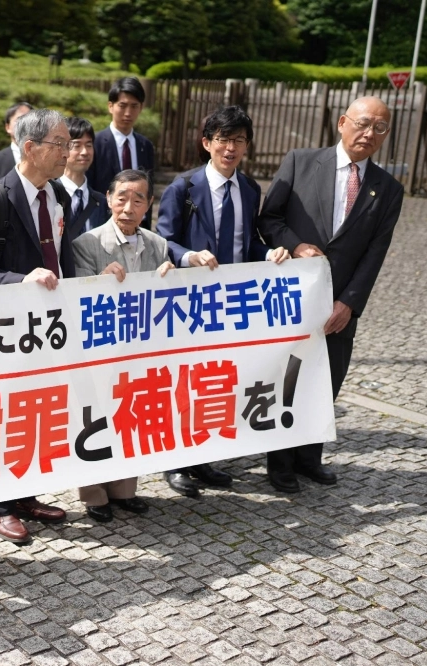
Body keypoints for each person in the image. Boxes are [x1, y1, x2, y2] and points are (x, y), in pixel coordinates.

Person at [256, 96, 404, 493]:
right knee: (287, 377)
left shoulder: (387, 189)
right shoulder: (301, 162)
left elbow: (376, 252)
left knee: (327, 381)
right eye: (363, 123)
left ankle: (309, 458)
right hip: (292, 297)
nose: (369, 133)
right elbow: (268, 219)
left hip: (340, 304)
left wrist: (350, 303)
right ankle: (280, 462)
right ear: (342, 122)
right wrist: (298, 244)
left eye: (380, 128)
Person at [156, 105, 291, 498]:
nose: (230, 148)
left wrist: (268, 254)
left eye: (239, 140)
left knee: (216, 380)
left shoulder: (249, 189)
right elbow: (163, 241)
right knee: (184, 381)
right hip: (188, 302)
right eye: (223, 140)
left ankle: (203, 457)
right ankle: (175, 462)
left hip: (231, 305)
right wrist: (188, 256)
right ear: (207, 143)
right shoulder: (183, 188)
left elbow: (246, 243)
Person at [0, 108, 73, 543]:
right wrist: (20, 280)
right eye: (61, 145)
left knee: (38, 410)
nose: (69, 153)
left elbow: (63, 258)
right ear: (30, 148)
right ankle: (1, 504)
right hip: (6, 331)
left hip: (48, 328)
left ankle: (27, 494)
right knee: (4, 414)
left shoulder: (58, 198)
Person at [72, 169, 175, 521]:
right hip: (100, 352)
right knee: (96, 418)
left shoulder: (158, 244)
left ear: (148, 205)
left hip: (140, 349)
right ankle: (93, 492)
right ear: (109, 199)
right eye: (122, 198)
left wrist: (170, 278)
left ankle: (123, 489)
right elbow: (75, 298)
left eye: (138, 199)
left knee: (133, 414)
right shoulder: (87, 243)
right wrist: (96, 282)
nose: (129, 207)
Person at [89, 77, 155, 228]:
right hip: (103, 225)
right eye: (122, 105)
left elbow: (148, 190)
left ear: (141, 108)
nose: (128, 113)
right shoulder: (95, 143)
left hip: (138, 227)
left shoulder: (145, 146)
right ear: (110, 106)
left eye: (134, 106)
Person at [59, 116, 107, 240]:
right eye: (77, 145)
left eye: (89, 145)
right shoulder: (47, 195)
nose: (85, 152)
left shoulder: (101, 202)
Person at [0, 102, 33, 185]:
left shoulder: (46, 158)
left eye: (29, 120)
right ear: (7, 127)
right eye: (19, 120)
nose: (25, 125)